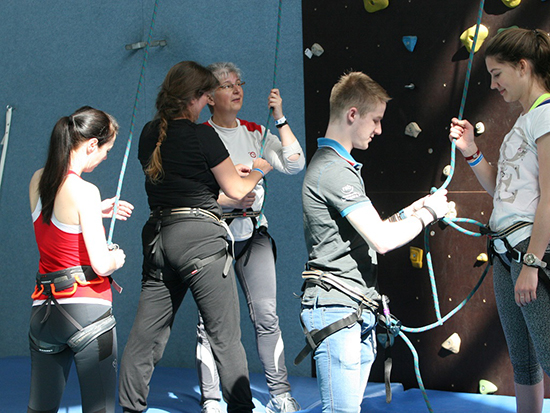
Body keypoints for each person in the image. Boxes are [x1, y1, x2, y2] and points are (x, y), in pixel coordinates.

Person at [118, 61, 273, 413]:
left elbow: (184, 186)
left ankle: (128, 408)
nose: (206, 102)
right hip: (201, 241)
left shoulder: (149, 133)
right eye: (205, 95)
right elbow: (234, 189)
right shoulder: (202, 134)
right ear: (194, 98)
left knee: (145, 338)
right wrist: (260, 169)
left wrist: (227, 180)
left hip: (159, 239)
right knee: (225, 338)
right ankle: (241, 408)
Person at [449, 27, 550, 413]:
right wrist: (472, 152)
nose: (493, 85)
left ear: (523, 67)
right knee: (524, 360)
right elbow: (505, 194)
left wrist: (532, 262)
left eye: (497, 74)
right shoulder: (525, 122)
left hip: (531, 248)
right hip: (508, 248)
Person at [299, 71, 450, 413]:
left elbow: (369, 232)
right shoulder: (333, 170)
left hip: (351, 307)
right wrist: (428, 216)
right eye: (376, 120)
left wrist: (411, 212)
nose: (379, 130)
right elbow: (381, 241)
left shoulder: (340, 168)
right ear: (353, 114)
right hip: (338, 308)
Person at [193, 62, 304, 413]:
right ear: (210, 97)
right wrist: (232, 196)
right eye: (227, 85)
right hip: (215, 236)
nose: (237, 89)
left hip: (254, 233)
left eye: (239, 83)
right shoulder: (199, 137)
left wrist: (281, 117)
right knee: (209, 324)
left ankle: (280, 394)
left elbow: (295, 162)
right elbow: (196, 194)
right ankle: (212, 399)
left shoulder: (256, 132)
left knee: (267, 316)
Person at [27, 106, 131, 413]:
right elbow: (100, 264)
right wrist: (117, 258)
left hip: (43, 313)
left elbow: (55, 220)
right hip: (88, 312)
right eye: (107, 150)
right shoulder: (85, 191)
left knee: (39, 408)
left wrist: (95, 211)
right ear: (91, 145)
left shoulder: (37, 180)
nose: (105, 157)